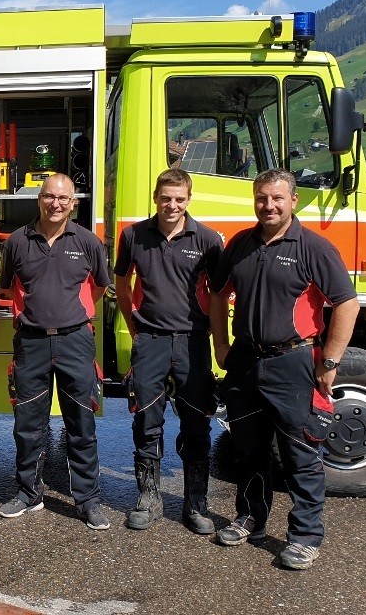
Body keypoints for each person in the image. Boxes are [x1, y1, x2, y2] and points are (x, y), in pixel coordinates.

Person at [208, 168, 359, 570]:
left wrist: (330, 361)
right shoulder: (239, 244)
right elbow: (218, 295)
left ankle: (306, 536)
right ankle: (251, 518)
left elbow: (347, 304)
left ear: (293, 201)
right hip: (244, 361)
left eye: (277, 198)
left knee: (301, 453)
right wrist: (221, 345)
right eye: (262, 198)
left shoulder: (314, 247)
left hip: (292, 362)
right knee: (248, 450)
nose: (268, 205)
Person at [113, 169, 224, 533]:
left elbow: (220, 295)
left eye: (179, 199)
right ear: (155, 197)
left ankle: (196, 504)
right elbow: (123, 287)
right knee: (146, 421)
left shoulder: (208, 240)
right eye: (165, 198)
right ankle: (149, 499)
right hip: (151, 342)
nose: (172, 205)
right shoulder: (132, 236)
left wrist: (218, 340)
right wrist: (137, 331)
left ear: (189, 199)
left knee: (197, 424)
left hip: (193, 342)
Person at [0, 173, 110, 529]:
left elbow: (99, 289)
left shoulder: (89, 242)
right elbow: (10, 289)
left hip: (76, 340)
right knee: (28, 424)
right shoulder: (17, 241)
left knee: (81, 423)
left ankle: (87, 500)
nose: (56, 203)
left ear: (73, 203)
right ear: (39, 199)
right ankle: (29, 494)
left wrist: (71, 314)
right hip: (31, 342)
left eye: (63, 198)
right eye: (49, 197)